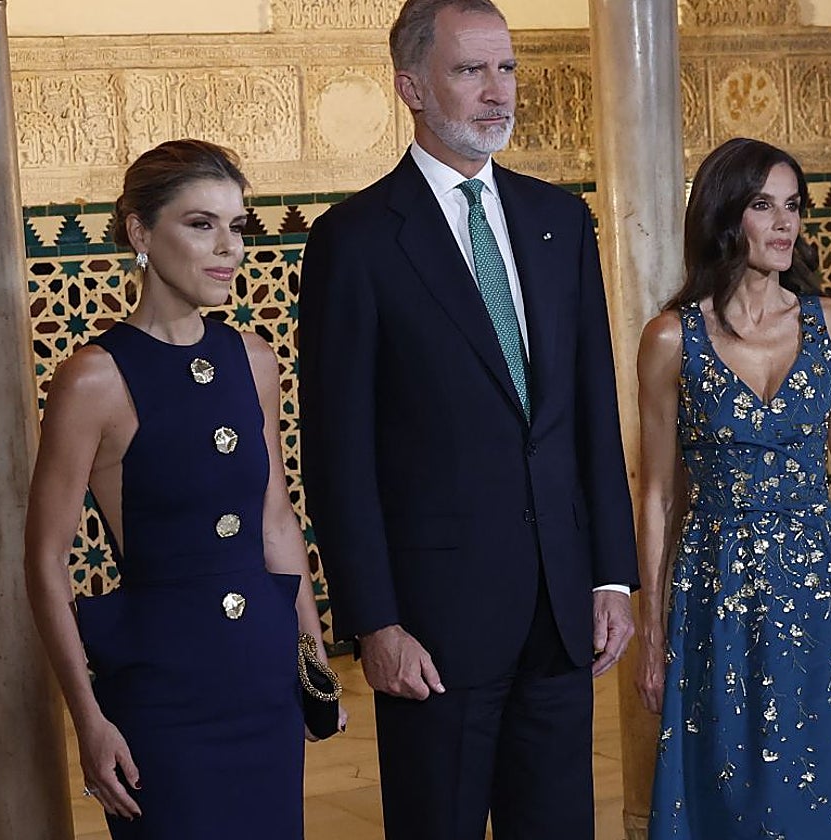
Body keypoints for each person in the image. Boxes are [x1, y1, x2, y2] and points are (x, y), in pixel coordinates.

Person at [295, 1, 639, 838]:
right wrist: (374, 620)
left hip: (561, 615)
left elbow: (593, 410)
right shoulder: (357, 239)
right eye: (470, 70)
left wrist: (611, 576)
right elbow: (339, 455)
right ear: (411, 86)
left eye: (508, 68)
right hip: (434, 626)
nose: (498, 92)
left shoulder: (562, 222)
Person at [24, 139, 338, 839]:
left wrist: (311, 660)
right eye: (202, 225)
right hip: (160, 689)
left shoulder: (253, 359)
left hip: (262, 675)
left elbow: (276, 520)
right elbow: (45, 561)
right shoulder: (92, 379)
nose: (229, 247)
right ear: (140, 230)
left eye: (238, 225)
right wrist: (89, 718)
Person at [634, 137, 831, 839]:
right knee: (726, 779)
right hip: (714, 582)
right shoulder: (672, 339)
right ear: (726, 216)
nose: (786, 223)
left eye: (793, 206)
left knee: (824, 772)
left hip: (817, 584)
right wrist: (651, 628)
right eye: (764, 205)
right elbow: (659, 496)